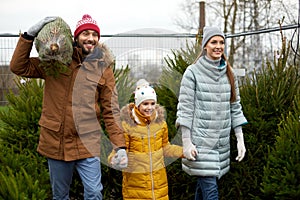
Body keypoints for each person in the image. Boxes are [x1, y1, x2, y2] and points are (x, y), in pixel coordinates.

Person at [10, 14, 128, 200]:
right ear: (76, 38)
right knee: (60, 195)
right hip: (57, 142)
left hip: (87, 143)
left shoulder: (103, 68)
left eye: (94, 34)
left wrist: (120, 146)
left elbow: (110, 110)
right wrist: (28, 35)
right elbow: (19, 67)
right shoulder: (55, 61)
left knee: (94, 193)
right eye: (85, 34)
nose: (90, 38)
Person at [175, 26, 248, 200]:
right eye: (213, 42)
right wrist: (186, 142)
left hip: (221, 145)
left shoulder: (229, 74)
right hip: (200, 145)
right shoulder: (192, 73)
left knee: (204, 191)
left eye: (221, 42)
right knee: (211, 193)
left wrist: (240, 139)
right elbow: (185, 108)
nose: (218, 46)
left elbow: (235, 107)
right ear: (205, 46)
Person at [109, 79, 183, 200]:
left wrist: (184, 152)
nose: (149, 108)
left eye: (152, 103)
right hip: (135, 188)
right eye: (145, 104)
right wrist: (114, 159)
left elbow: (166, 147)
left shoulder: (161, 124)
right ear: (138, 104)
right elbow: (119, 150)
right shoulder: (127, 126)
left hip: (159, 187)